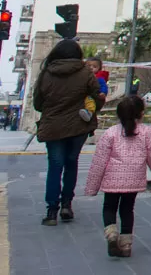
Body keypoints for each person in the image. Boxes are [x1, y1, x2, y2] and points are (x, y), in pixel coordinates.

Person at [84, 94, 151, 258]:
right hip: (133, 180)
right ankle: (126, 244)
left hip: (112, 180)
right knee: (127, 210)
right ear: (141, 114)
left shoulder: (110, 134)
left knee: (109, 207)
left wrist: (92, 187)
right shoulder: (147, 133)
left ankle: (112, 234)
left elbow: (99, 162)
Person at [33, 38, 101, 225]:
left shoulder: (46, 73)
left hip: (53, 126)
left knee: (55, 166)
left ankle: (51, 210)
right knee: (72, 163)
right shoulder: (86, 73)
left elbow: (38, 103)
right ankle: (66, 204)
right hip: (78, 125)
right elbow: (97, 96)